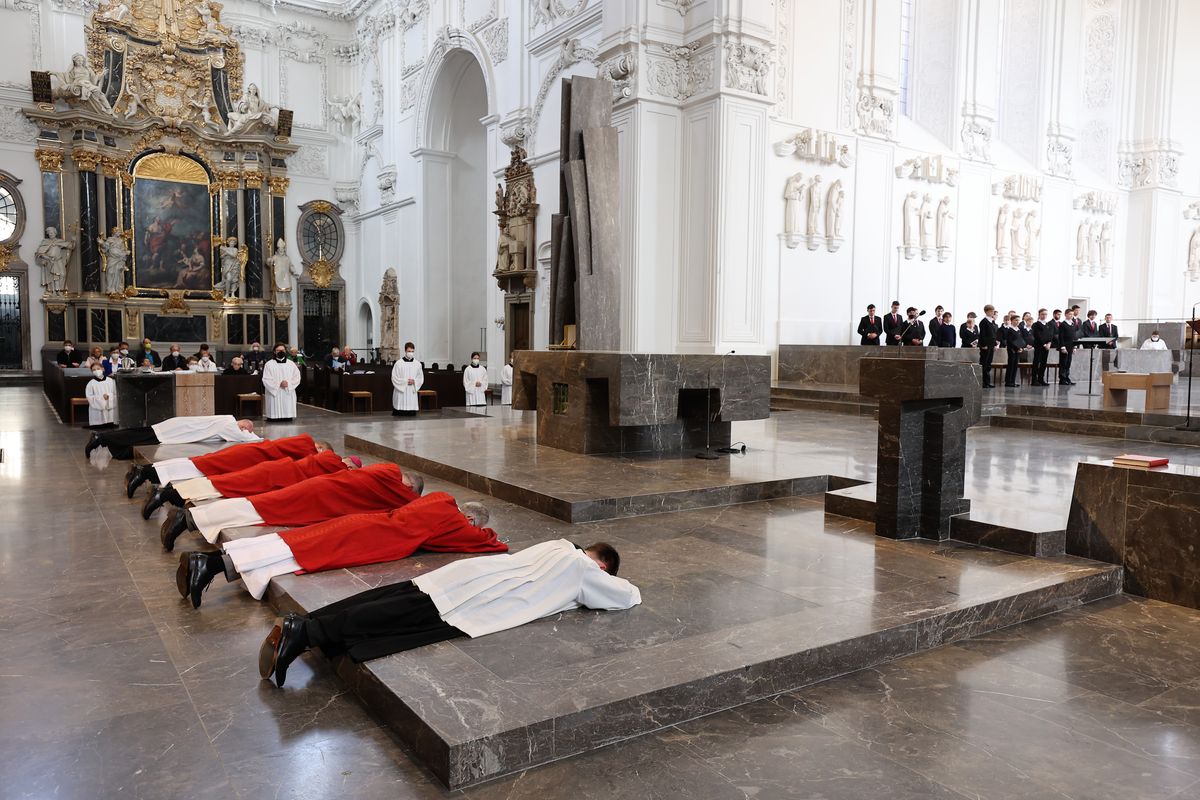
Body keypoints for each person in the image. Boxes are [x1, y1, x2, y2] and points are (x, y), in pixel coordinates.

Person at [258, 539, 639, 687]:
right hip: (476, 600)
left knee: (391, 601)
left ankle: (307, 626)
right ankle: (304, 634)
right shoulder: (583, 567)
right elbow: (626, 596)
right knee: (395, 618)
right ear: (602, 566)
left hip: (467, 575)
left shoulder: (557, 546)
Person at [176, 491, 503, 607]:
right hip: (372, 539)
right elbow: (487, 542)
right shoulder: (455, 522)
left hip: (365, 523)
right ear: (469, 517)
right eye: (473, 522)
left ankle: (209, 563)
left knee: (292, 544)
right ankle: (209, 565)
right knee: (296, 553)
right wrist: (484, 530)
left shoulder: (438, 499)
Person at [160, 462, 423, 550]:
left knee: (259, 508)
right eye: (406, 485)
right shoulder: (391, 475)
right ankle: (190, 518)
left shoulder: (391, 486)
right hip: (318, 495)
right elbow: (411, 502)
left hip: (320, 500)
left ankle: (191, 518)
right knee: (258, 506)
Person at [145, 448, 360, 519]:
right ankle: (166, 495)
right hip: (274, 476)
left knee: (223, 485)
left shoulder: (329, 461)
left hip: (274, 475)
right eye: (351, 467)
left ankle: (170, 495)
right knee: (222, 484)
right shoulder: (333, 460)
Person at [130, 433, 322, 499]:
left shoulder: (301, 446)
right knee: (199, 465)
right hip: (247, 457)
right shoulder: (306, 444)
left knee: (200, 463)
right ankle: (147, 472)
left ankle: (148, 472)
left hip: (247, 456)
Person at [84, 414, 259, 466]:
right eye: (245, 428)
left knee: (141, 436)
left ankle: (107, 440)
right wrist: (258, 437)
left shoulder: (227, 420)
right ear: (243, 424)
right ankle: (103, 437)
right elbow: (248, 439)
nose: (244, 431)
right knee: (139, 435)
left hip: (177, 428)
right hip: (177, 431)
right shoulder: (230, 424)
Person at [263, 343, 301, 421]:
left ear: (285, 351)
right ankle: (273, 417)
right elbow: (266, 379)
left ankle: (287, 416)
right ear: (274, 352)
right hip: (274, 394)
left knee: (287, 415)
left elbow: (297, 377)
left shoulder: (291, 364)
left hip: (287, 391)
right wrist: (278, 384)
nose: (281, 352)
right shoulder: (269, 364)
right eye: (278, 350)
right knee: (274, 415)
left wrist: (288, 384)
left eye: (282, 350)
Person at [391, 341, 423, 416]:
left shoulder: (417, 364)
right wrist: (405, 382)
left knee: (411, 412)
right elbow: (394, 377)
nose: (410, 353)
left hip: (411, 389)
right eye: (409, 351)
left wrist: (414, 381)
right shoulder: (399, 363)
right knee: (400, 409)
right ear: (405, 351)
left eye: (412, 351)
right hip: (402, 390)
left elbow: (420, 377)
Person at [978, 305, 999, 389]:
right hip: (985, 346)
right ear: (986, 311)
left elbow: (993, 334)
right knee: (984, 364)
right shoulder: (984, 322)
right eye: (991, 311)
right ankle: (983, 382)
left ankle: (987, 382)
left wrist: (995, 344)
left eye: (993, 311)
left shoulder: (992, 321)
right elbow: (982, 335)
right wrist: (983, 345)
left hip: (991, 345)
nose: (993, 312)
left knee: (988, 365)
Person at [1003, 314, 1027, 387]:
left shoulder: (1018, 329)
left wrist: (1021, 347)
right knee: (1011, 365)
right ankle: (1008, 381)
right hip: (1012, 350)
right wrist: (1017, 348)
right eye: (1016, 320)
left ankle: (1013, 381)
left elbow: (1021, 339)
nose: (1017, 322)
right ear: (1012, 321)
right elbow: (1010, 341)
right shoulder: (1010, 330)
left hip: (1018, 350)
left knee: (1015, 366)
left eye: (1018, 320)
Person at [1031, 309, 1054, 387]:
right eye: (1042, 314)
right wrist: (1044, 344)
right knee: (1036, 363)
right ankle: (1034, 380)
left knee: (1044, 363)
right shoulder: (1036, 324)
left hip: (1046, 347)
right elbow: (1037, 336)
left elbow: (1050, 335)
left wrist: (1049, 343)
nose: (1044, 316)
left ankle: (1041, 379)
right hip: (1039, 346)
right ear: (1039, 315)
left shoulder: (1048, 324)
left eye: (1045, 314)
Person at [1056, 309, 1078, 385]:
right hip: (1064, 346)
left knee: (1068, 363)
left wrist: (1075, 346)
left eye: (1072, 314)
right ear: (1065, 315)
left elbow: (1074, 336)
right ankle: (1062, 379)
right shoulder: (1063, 324)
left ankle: (1067, 378)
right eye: (1069, 314)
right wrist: (1062, 347)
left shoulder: (1073, 324)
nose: (1071, 316)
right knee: (1063, 363)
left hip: (1071, 346)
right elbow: (1061, 337)